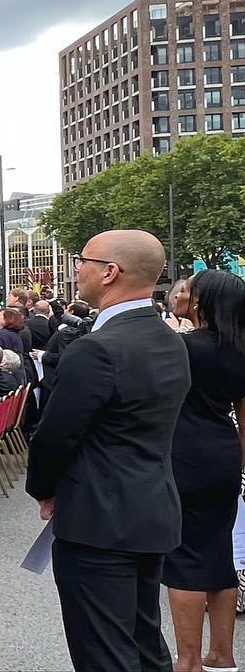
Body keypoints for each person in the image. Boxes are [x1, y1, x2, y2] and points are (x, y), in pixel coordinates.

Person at [26, 231, 190, 672]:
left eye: (83, 260)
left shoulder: (97, 349)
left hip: (98, 519)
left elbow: (55, 434)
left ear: (109, 272)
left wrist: (43, 489)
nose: (77, 267)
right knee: (143, 641)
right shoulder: (171, 341)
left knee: (103, 650)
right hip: (151, 509)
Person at [164, 270, 245, 672]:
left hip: (185, 452)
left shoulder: (183, 347)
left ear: (201, 301)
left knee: (185, 557)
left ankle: (189, 659)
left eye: (188, 290)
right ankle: (222, 653)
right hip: (225, 453)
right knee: (219, 551)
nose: (181, 294)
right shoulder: (240, 349)